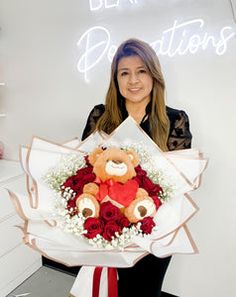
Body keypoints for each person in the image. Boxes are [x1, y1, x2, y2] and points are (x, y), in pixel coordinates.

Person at [81, 38, 192, 297]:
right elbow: (84, 172)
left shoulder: (175, 120)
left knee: (144, 293)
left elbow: (178, 182)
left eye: (141, 71)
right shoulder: (100, 116)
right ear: (116, 79)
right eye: (125, 73)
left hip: (155, 232)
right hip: (106, 229)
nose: (133, 80)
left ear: (153, 75)